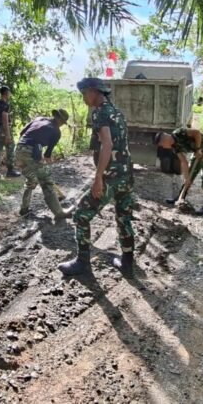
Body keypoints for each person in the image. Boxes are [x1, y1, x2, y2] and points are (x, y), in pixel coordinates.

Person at [59, 78, 136, 277]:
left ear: (94, 91)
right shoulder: (117, 112)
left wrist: (98, 178)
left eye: (84, 94)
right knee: (123, 217)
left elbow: (107, 145)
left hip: (111, 176)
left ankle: (83, 263)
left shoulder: (100, 112)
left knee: (81, 215)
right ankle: (127, 264)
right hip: (126, 175)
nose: (84, 98)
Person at [15, 109, 73, 220]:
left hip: (18, 149)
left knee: (31, 180)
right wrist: (46, 164)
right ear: (60, 120)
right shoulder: (56, 131)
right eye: (63, 123)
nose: (62, 125)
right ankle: (59, 212)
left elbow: (22, 133)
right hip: (30, 152)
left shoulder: (39, 119)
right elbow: (47, 155)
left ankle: (24, 209)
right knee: (46, 180)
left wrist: (36, 153)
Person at [154, 127, 203, 214]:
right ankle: (181, 197)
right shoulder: (174, 147)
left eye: (161, 145)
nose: (163, 147)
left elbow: (196, 133)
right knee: (190, 174)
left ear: (164, 140)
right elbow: (183, 162)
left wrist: (198, 149)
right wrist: (186, 178)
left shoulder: (179, 133)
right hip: (197, 150)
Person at [0, 86, 20, 178]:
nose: (10, 95)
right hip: (3, 128)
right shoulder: (5, 105)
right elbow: (5, 119)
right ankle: (10, 170)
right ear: (6, 93)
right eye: (9, 93)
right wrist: (7, 134)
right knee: (10, 148)